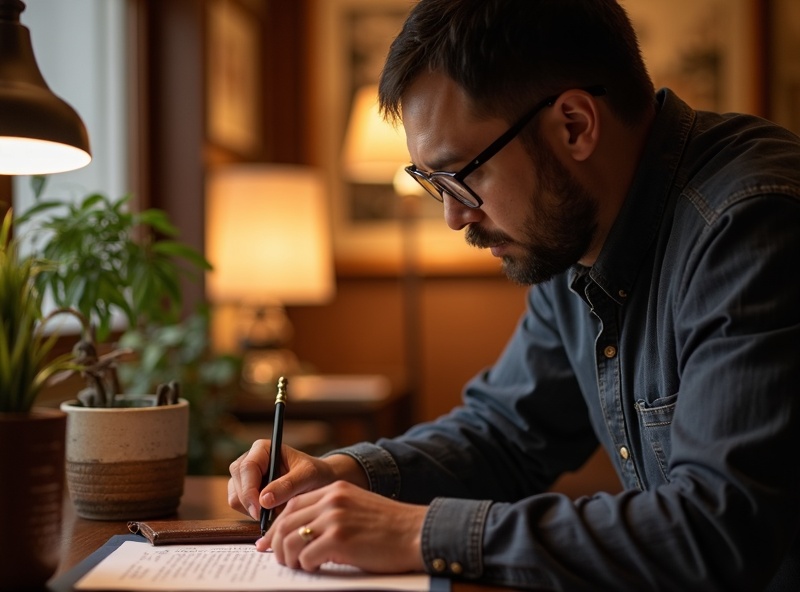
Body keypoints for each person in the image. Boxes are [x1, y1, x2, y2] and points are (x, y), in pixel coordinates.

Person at [228, 0, 800, 589]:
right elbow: (506, 433)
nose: (453, 217)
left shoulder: (753, 223)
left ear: (574, 124)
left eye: (462, 175)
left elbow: (716, 529)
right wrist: (344, 474)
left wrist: (415, 533)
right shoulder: (576, 234)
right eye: (433, 183)